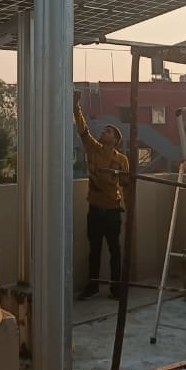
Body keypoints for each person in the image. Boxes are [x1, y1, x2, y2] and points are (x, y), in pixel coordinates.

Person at [73, 89, 130, 298]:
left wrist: (129, 208)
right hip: (96, 209)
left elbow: (126, 184)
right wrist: (75, 106)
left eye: (108, 131)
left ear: (115, 140)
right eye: (104, 130)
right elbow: (83, 130)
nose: (104, 132)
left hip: (113, 211)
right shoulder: (93, 149)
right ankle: (93, 285)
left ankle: (116, 288)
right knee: (94, 249)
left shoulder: (121, 160)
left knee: (115, 250)